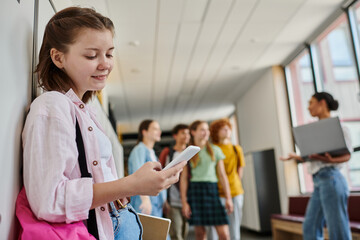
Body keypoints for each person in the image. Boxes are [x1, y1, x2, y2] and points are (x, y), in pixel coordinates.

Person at [21, 7, 186, 240]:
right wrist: (132, 185)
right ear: (58, 57)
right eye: (91, 56)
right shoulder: (51, 107)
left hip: (116, 220)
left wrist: (133, 187)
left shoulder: (85, 112)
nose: (105, 64)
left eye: (109, 54)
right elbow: (49, 200)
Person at [280, 92, 352, 240]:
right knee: (310, 227)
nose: (308, 107)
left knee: (338, 230)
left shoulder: (340, 128)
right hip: (319, 182)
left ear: (323, 103)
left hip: (332, 179)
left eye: (311, 102)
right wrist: (298, 157)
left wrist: (329, 160)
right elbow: (315, 158)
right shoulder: (313, 131)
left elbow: (347, 156)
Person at [180, 120, 233, 240]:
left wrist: (229, 198)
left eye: (207, 129)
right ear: (193, 132)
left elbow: (222, 176)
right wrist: (184, 202)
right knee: (200, 234)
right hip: (195, 191)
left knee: (224, 234)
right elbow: (183, 179)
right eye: (202, 129)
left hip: (212, 191)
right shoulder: (188, 152)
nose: (206, 132)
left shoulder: (216, 150)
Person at [209, 118, 246, 240]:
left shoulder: (236, 149)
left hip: (235, 191)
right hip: (217, 193)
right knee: (216, 229)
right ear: (216, 132)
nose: (227, 130)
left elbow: (240, 167)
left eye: (228, 128)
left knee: (234, 227)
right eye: (223, 128)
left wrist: (236, 182)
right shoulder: (212, 149)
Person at [128, 120, 167, 217]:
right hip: (145, 202)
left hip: (156, 203)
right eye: (155, 129)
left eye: (159, 129)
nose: (159, 131)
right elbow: (139, 175)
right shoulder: (140, 149)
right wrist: (145, 199)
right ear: (144, 132)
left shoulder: (152, 153)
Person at [159, 124, 190, 240]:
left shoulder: (192, 153)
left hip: (189, 199)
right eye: (183, 133)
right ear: (175, 136)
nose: (186, 136)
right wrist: (164, 199)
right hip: (172, 200)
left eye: (188, 133)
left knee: (185, 231)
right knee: (176, 234)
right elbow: (160, 172)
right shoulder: (168, 152)